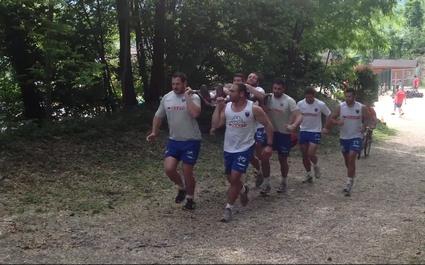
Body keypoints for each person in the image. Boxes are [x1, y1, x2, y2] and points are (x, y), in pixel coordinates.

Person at [211, 83, 274, 222]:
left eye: (232, 91)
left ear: (241, 94)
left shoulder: (254, 109)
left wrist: (269, 145)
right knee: (230, 178)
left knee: (234, 178)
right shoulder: (227, 107)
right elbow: (216, 125)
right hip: (228, 148)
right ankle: (243, 190)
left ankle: (228, 208)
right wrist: (218, 106)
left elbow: (268, 125)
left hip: (245, 148)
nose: (229, 93)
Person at [146, 72, 201, 210]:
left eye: (178, 83)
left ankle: (190, 199)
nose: (175, 86)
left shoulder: (193, 96)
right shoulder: (167, 98)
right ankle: (182, 187)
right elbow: (158, 116)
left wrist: (187, 97)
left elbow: (195, 113)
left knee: (187, 171)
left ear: (184, 83)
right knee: (169, 169)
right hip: (174, 140)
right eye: (173, 84)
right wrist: (154, 132)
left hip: (191, 140)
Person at [247, 78, 302, 195]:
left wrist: (294, 125)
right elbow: (254, 91)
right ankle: (266, 183)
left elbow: (299, 115)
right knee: (264, 157)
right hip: (269, 131)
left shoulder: (289, 101)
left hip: (283, 133)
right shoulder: (268, 98)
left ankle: (284, 182)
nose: (276, 91)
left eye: (279, 89)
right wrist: (242, 84)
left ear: (283, 89)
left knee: (282, 159)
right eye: (274, 88)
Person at [323, 88, 369, 196]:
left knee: (352, 156)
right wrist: (337, 122)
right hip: (344, 137)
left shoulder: (361, 107)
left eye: (350, 96)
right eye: (346, 96)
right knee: (347, 161)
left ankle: (348, 183)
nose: (348, 99)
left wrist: (364, 127)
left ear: (354, 97)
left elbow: (367, 119)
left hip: (356, 136)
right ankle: (351, 174)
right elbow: (331, 119)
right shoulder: (340, 107)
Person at [297, 87, 331, 183]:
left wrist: (326, 127)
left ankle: (315, 166)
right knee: (304, 155)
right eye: (307, 98)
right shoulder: (300, 104)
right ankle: (308, 174)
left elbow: (329, 114)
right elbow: (296, 115)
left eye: (310, 98)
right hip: (303, 130)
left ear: (314, 96)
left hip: (315, 131)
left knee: (310, 153)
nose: (309, 100)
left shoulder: (320, 104)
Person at [246, 72, 268, 188]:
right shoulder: (241, 90)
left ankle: (264, 171)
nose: (251, 78)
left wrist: (248, 87)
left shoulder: (259, 89)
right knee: (249, 153)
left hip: (259, 125)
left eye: (254, 77)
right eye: (250, 77)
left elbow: (261, 96)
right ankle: (258, 170)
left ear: (257, 81)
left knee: (258, 146)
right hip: (247, 125)